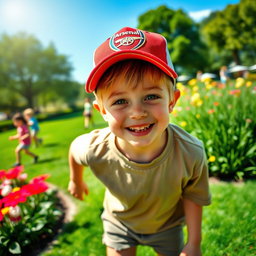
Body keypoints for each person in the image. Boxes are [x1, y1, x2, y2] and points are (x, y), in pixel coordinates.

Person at [68, 27, 211, 256]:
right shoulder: (95, 148)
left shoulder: (190, 151)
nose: (137, 112)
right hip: (119, 223)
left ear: (172, 101)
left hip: (167, 226)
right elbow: (75, 150)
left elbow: (193, 195)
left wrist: (194, 243)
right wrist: (76, 180)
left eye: (151, 96)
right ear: (101, 110)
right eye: (120, 101)